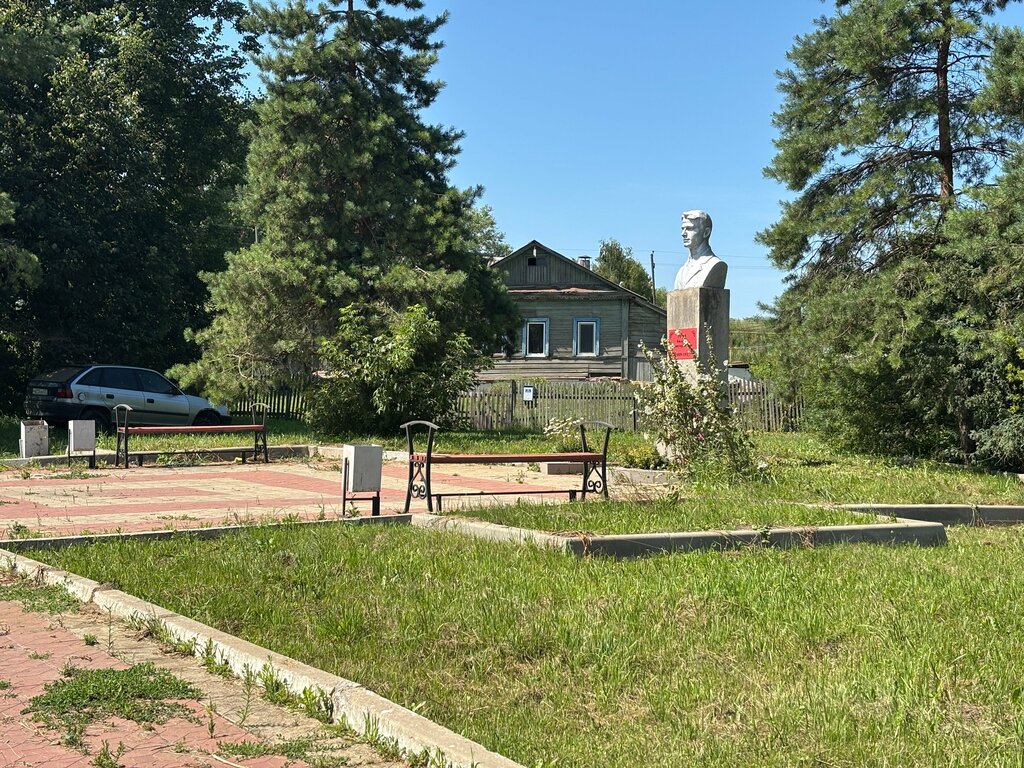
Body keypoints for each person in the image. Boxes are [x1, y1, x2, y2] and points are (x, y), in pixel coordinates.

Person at [673, 210, 727, 290]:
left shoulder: (715, 265)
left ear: (706, 232)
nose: (683, 233)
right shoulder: (681, 271)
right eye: (683, 229)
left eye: (689, 228)